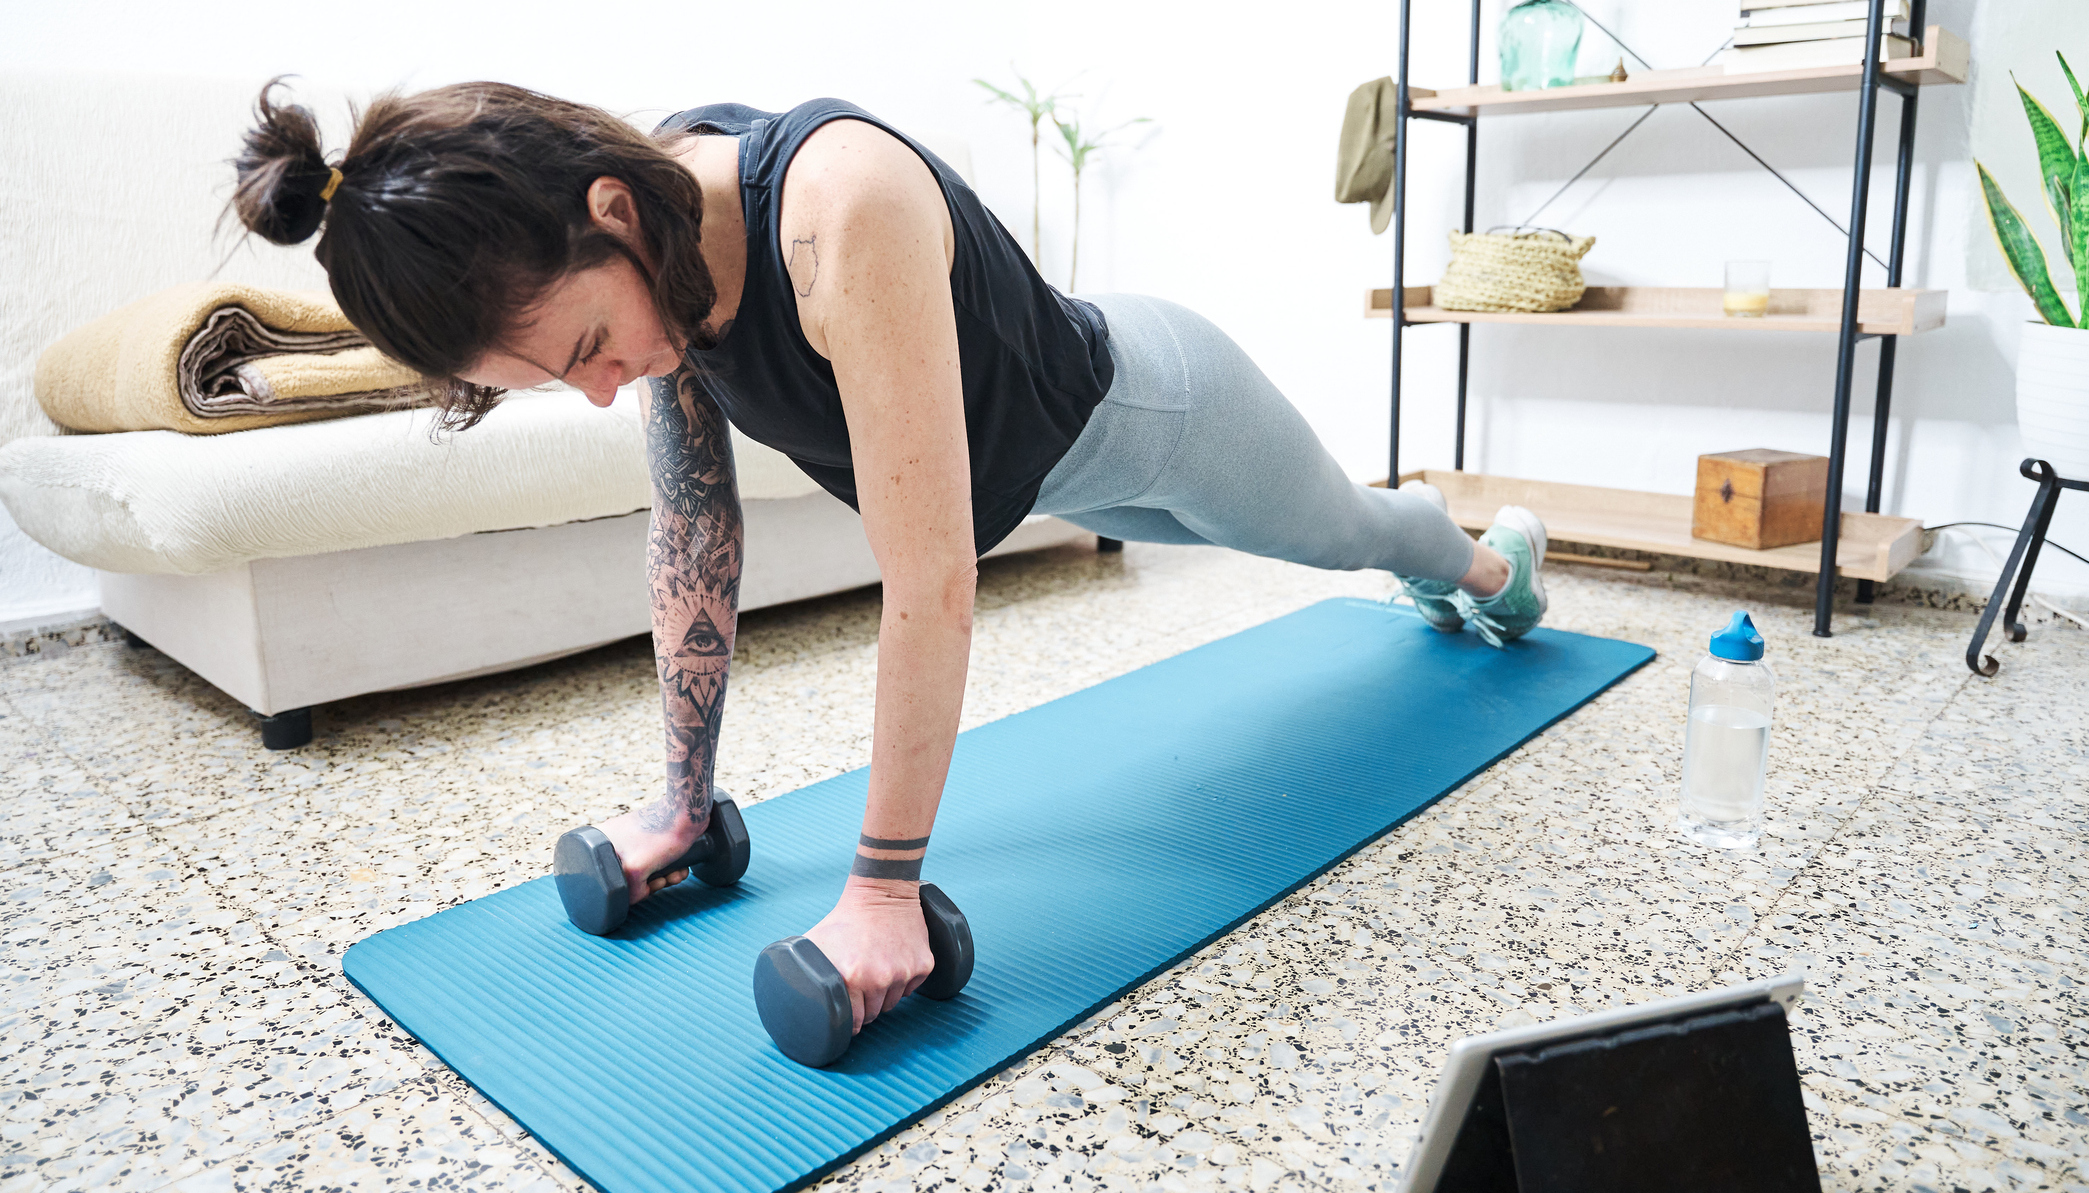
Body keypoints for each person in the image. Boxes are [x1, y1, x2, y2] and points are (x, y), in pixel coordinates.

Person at [231, 81, 1549, 1037]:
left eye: (584, 351)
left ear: (612, 211)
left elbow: (928, 587)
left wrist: (881, 893)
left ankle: (1486, 563)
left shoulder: (833, 206)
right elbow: (694, 533)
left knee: (1345, 536)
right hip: (1034, 477)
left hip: (1158, 420)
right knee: (1309, 539)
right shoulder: (658, 271)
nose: (597, 392)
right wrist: (681, 809)